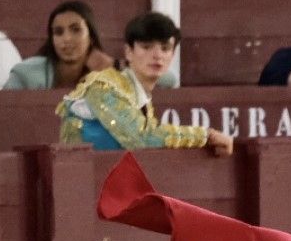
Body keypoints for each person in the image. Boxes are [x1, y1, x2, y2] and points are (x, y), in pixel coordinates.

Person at [61, 11, 235, 153]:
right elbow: (142, 138)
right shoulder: (104, 87)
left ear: (172, 55)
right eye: (146, 47)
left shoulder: (140, 99)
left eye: (165, 48)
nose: (157, 55)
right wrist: (206, 135)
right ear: (129, 52)